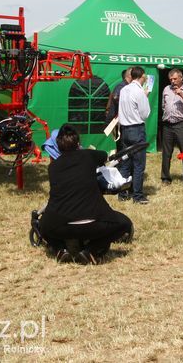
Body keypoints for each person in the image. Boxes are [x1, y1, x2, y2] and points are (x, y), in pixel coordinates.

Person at [40, 124, 134, 264]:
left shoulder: (53, 167)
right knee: (123, 224)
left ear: (58, 147)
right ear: (78, 143)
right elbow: (103, 156)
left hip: (60, 225)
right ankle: (91, 250)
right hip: (92, 223)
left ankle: (60, 250)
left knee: (43, 225)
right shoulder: (88, 155)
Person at [118, 66, 151, 204]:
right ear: (142, 76)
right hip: (136, 129)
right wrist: (145, 96)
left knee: (125, 162)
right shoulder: (139, 91)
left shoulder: (124, 89)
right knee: (138, 164)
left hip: (124, 129)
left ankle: (122, 193)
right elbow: (145, 114)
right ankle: (137, 195)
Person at [106, 68, 131, 152]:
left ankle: (121, 162)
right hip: (117, 120)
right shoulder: (122, 86)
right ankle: (121, 163)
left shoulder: (124, 85)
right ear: (129, 76)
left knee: (121, 143)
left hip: (118, 120)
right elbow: (115, 97)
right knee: (121, 144)